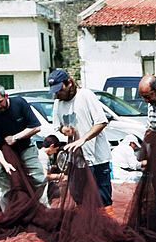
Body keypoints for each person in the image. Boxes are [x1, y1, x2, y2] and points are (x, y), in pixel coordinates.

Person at [49, 69, 114, 215]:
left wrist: (84, 139)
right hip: (77, 160)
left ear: (69, 83)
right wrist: (63, 129)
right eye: (55, 91)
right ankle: (86, 226)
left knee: (102, 199)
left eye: (60, 89)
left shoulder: (85, 95)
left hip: (97, 158)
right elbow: (57, 125)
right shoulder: (57, 103)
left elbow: (101, 122)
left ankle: (108, 228)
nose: (58, 94)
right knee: (80, 196)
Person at [0, 82, 48, 212]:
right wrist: (5, 164)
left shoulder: (19, 103)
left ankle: (44, 209)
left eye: (0, 102)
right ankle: (8, 213)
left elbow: (36, 127)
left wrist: (16, 137)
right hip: (3, 150)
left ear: (6, 96)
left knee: (39, 178)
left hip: (25, 147)